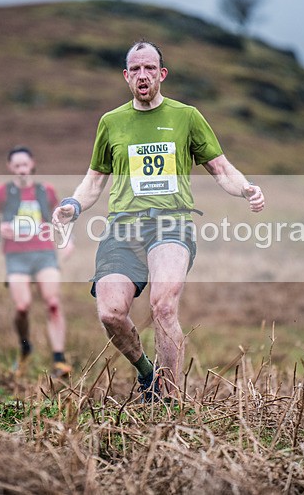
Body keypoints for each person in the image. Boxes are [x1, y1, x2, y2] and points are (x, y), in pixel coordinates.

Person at [52, 40, 264, 400]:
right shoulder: (111, 122)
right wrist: (72, 204)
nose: (143, 75)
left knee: (163, 306)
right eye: (135, 69)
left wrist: (246, 188)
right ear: (126, 76)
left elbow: (221, 168)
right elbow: (94, 181)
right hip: (123, 227)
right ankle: (148, 376)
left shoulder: (187, 117)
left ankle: (170, 400)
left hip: (171, 223)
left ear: (162, 74)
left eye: (150, 68)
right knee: (111, 313)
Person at [0, 146, 73, 379]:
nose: (21, 169)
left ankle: (59, 359)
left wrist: (67, 240)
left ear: (32, 164)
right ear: (10, 167)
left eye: (25, 164)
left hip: (44, 254)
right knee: (22, 308)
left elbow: (59, 221)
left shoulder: (46, 191)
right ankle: (25, 347)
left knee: (52, 303)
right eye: (17, 165)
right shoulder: (1, 192)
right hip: (16, 257)